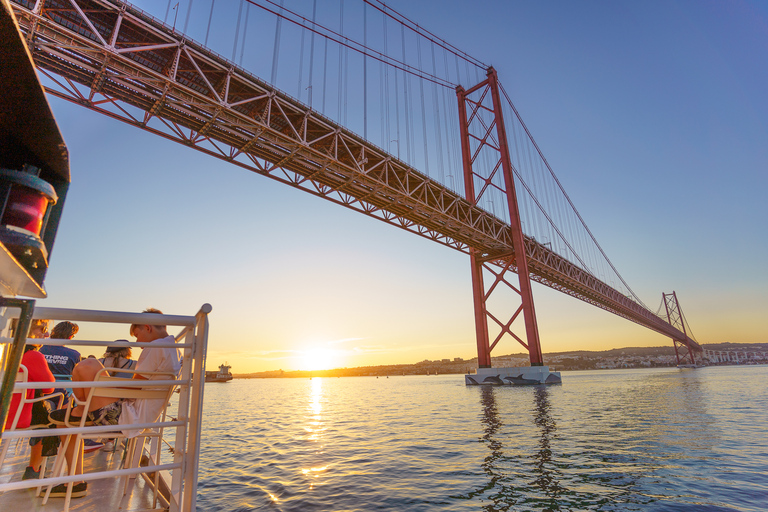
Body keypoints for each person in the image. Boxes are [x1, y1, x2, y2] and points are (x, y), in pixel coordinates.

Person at [48, 308, 181, 498]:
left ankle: (80, 412)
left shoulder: (157, 347)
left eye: (137, 335)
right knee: (70, 416)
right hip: (132, 414)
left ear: (147, 327)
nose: (137, 342)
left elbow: (133, 388)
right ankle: (80, 416)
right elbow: (138, 386)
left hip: (126, 417)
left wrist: (105, 382)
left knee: (88, 365)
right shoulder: (172, 349)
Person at [5, 320, 56, 481]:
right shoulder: (32, 355)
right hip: (16, 417)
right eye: (43, 329)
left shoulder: (4, 351)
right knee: (49, 415)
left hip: (4, 412)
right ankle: (34, 468)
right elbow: (49, 388)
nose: (46, 334)